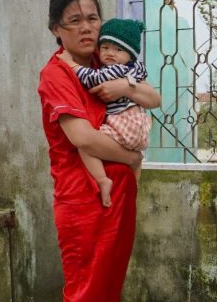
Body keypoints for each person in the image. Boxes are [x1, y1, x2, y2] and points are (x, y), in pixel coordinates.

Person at [37, 0, 160, 302]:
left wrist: (128, 165)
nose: (87, 28)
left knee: (109, 289)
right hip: (82, 197)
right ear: (57, 29)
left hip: (118, 193)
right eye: (75, 21)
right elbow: (83, 138)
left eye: (92, 18)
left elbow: (151, 97)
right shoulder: (57, 75)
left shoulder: (107, 64)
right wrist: (131, 156)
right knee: (85, 292)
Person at [60, 18, 150, 208]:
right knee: (135, 161)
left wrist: (71, 64)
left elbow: (93, 78)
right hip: (139, 128)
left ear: (130, 54)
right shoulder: (137, 70)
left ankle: (101, 179)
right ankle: (135, 183)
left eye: (118, 50)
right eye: (106, 47)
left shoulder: (115, 70)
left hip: (124, 124)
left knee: (86, 146)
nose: (110, 53)